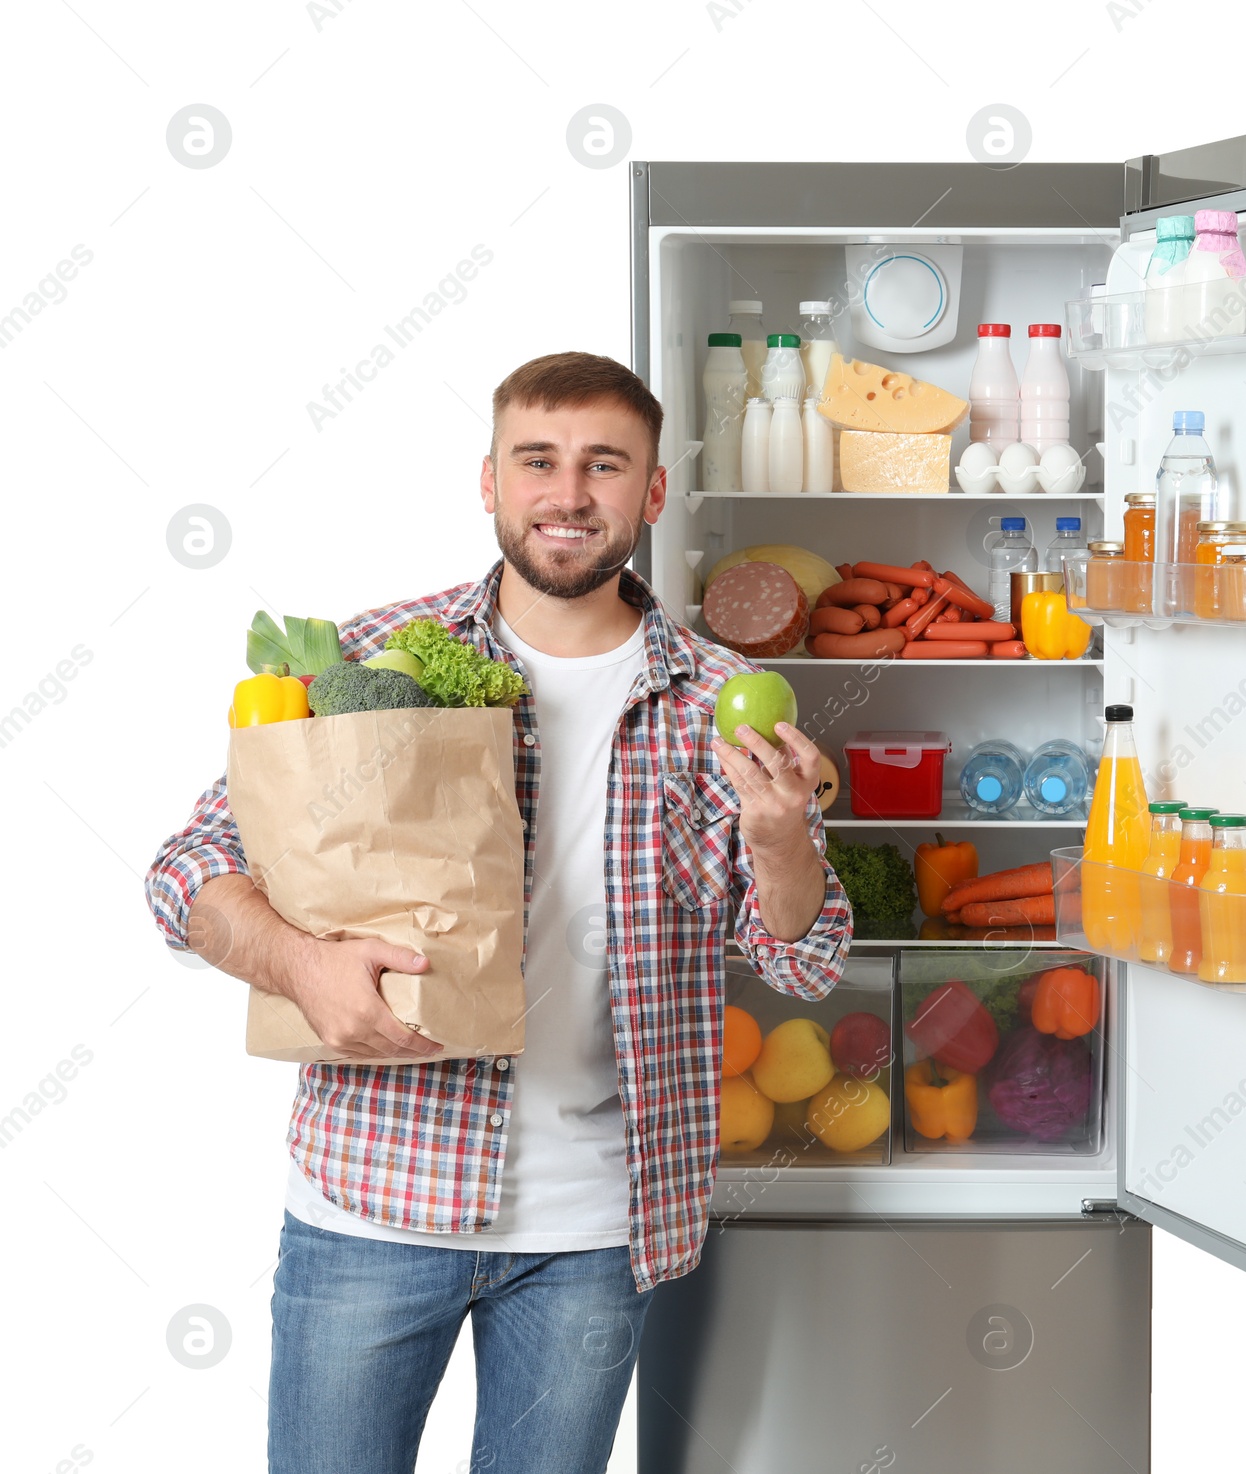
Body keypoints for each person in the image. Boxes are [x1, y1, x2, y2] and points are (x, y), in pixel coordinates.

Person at [143, 351, 852, 1474]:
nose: (568, 494)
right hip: (373, 1199)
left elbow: (804, 957)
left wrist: (778, 843)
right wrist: (295, 962)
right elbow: (188, 869)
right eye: (539, 460)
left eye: (604, 465)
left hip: (594, 1230)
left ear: (652, 494)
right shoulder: (371, 658)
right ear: (489, 481)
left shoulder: (721, 700)